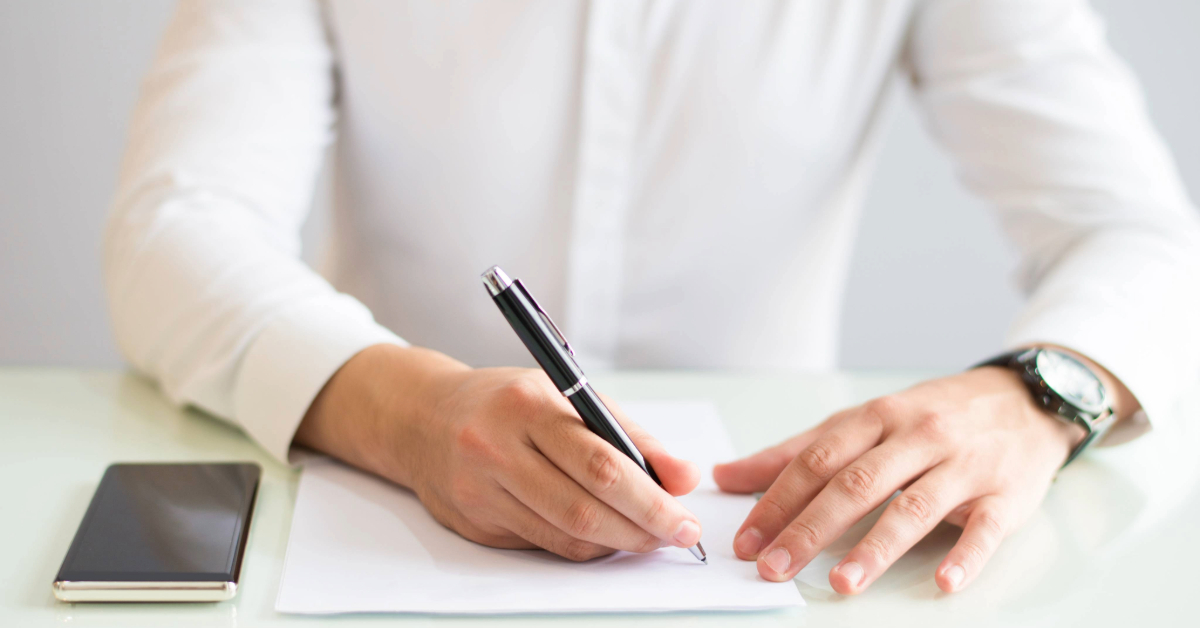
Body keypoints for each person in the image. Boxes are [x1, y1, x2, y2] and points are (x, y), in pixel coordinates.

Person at [104, 0, 1200, 595]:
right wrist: (403, 412)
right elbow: (175, 228)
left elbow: (1144, 232)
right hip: (383, 517)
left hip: (772, 540)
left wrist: (1037, 393)